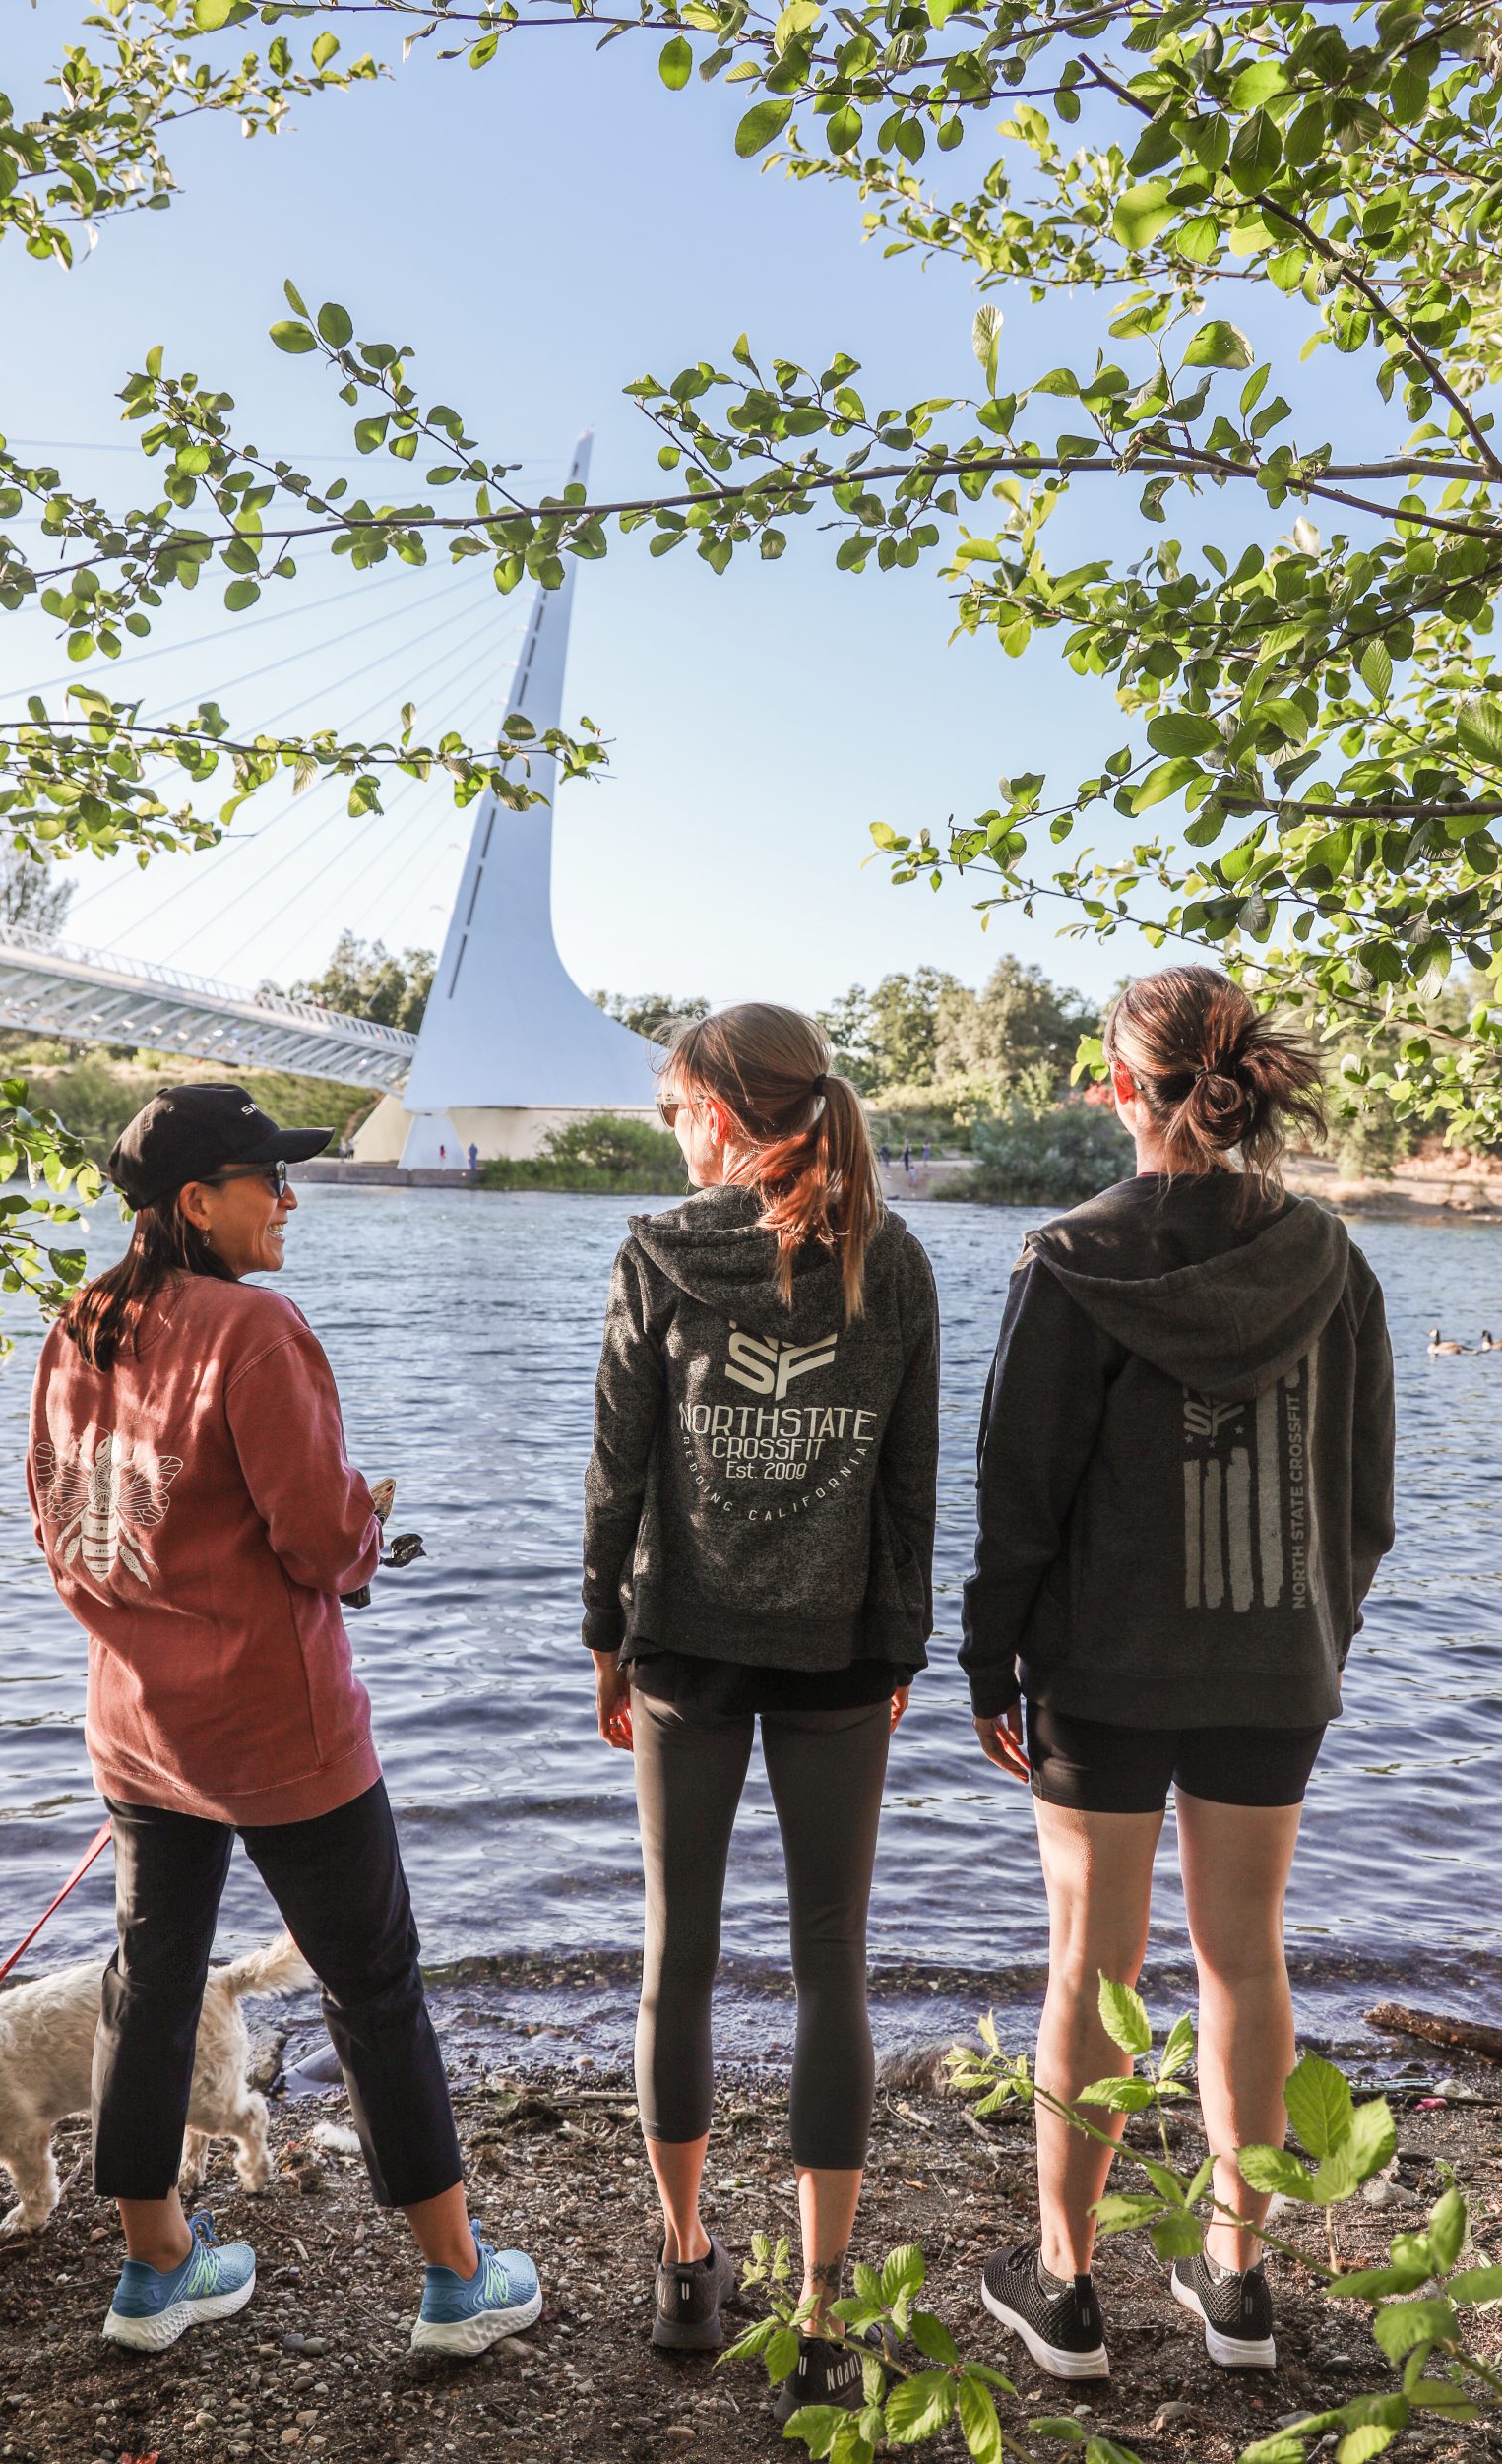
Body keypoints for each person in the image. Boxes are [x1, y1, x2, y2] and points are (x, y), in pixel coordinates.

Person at [28, 1083, 538, 2357]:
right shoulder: (257, 1333)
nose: (292, 1197)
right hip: (283, 1739)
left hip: (141, 1730)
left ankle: (156, 2271)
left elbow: (60, 1523)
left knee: (150, 1984)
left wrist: (150, 1628)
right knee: (376, 1991)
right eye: (271, 1177)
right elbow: (317, 1539)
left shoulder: (78, 1325)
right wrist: (369, 1530)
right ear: (199, 1202)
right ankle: (457, 2283)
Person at [962, 968, 1394, 2381]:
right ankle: (1238, 2281)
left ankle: (1067, 2284)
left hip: (1103, 1664)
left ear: (1116, 1084)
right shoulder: (1331, 1257)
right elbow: (1368, 1494)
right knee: (1242, 1952)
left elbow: (1020, 1494)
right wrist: (1314, 1624)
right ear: (1246, 1079)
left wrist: (989, 1655)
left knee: (1091, 1959)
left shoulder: (1071, 1258)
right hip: (1277, 1657)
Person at [582, 1005, 940, 2420]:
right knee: (830, 1962)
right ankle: (821, 2301)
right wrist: (902, 1645)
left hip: (684, 1647)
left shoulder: (660, 1252)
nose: (671, 1133)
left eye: (677, 1109)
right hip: (842, 1655)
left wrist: (604, 1633)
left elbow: (619, 1468)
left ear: (724, 1117)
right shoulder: (888, 1259)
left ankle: (685, 2268)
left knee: (679, 1949)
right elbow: (910, 1482)